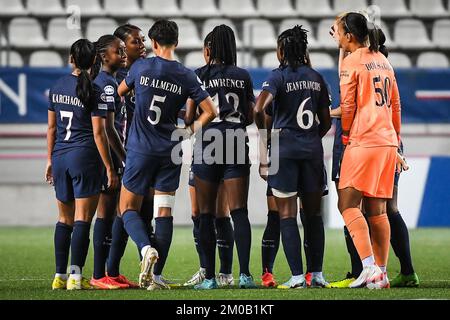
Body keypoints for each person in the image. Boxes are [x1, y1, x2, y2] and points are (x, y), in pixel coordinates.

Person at [117, 19, 216, 290]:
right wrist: (188, 131)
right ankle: (156, 277)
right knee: (164, 213)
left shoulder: (141, 66)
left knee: (126, 208)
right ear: (177, 42)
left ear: (154, 43)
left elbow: (120, 91)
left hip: (140, 149)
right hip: (171, 150)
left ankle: (145, 247)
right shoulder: (186, 74)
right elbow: (211, 111)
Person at [328, 21, 419, 288]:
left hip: (363, 140)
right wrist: (396, 145)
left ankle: (368, 267)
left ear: (350, 35)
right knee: (378, 210)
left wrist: (346, 138)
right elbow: (396, 106)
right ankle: (381, 273)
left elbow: (347, 105)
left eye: (338, 31)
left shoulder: (353, 61)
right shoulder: (383, 60)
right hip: (387, 141)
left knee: (346, 205)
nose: (336, 37)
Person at [254, 25, 331, 289]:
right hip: (311, 151)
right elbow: (326, 121)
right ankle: (317, 275)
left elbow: (258, 108)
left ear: (281, 51)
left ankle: (297, 276)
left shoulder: (277, 77)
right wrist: (310, 138)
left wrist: (267, 139)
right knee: (313, 216)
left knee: (287, 215)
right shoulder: (317, 77)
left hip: (284, 151)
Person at [185, 25, 257, 290]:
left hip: (208, 142)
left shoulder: (199, 75)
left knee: (206, 214)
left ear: (208, 50)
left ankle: (210, 278)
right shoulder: (243, 75)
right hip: (237, 140)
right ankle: (246, 275)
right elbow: (250, 115)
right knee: (239, 211)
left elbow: (190, 116)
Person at [47, 39, 119, 290]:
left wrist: (49, 160)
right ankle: (76, 277)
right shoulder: (95, 91)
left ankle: (59, 277)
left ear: (71, 59)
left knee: (63, 219)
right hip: (85, 158)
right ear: (95, 61)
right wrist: (110, 167)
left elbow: (52, 129)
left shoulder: (56, 87)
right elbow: (100, 134)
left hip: (59, 157)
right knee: (82, 220)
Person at [87, 34, 133, 289]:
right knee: (104, 215)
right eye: (120, 51)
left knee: (114, 214)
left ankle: (109, 273)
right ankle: (98, 275)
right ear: (105, 55)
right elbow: (107, 129)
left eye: (125, 50)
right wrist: (123, 158)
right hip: (109, 157)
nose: (124, 55)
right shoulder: (105, 84)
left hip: (113, 157)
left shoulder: (111, 81)